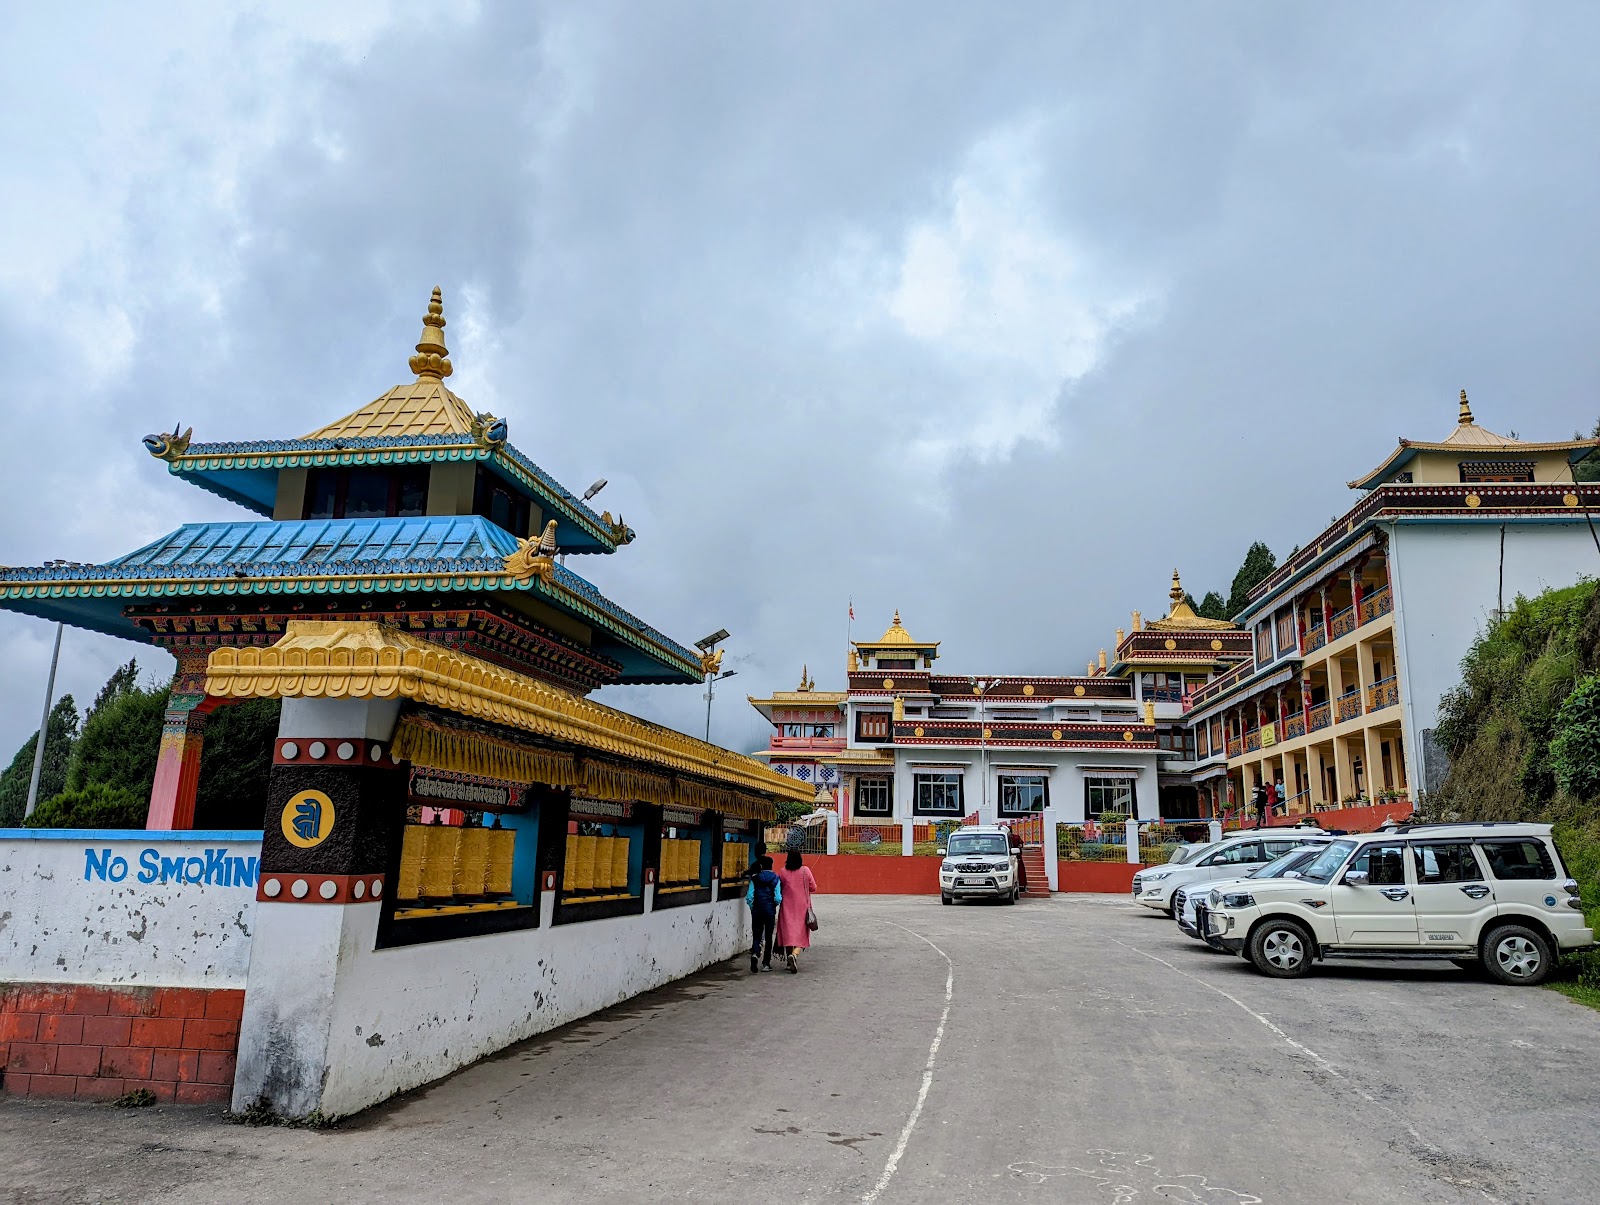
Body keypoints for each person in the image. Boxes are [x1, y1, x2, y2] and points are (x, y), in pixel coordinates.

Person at [773, 850, 819, 973]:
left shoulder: (783, 871)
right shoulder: (805, 870)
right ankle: (794, 954)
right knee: (801, 933)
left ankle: (789, 962)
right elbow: (813, 887)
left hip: (787, 907)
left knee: (788, 932)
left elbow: (779, 887)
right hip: (802, 906)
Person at [745, 855, 782, 974]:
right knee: (769, 937)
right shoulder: (776, 879)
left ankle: (755, 953)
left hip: (757, 910)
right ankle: (766, 963)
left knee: (757, 934)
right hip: (769, 911)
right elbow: (777, 898)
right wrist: (773, 906)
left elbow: (750, 896)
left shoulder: (755, 879)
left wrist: (753, 907)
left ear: (761, 866)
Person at [1006, 824, 1027, 893]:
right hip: (1009, 856)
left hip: (1016, 856)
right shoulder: (1007, 837)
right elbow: (1021, 845)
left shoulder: (1014, 837)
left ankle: (1022, 886)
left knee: (1020, 871)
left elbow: (1021, 845)